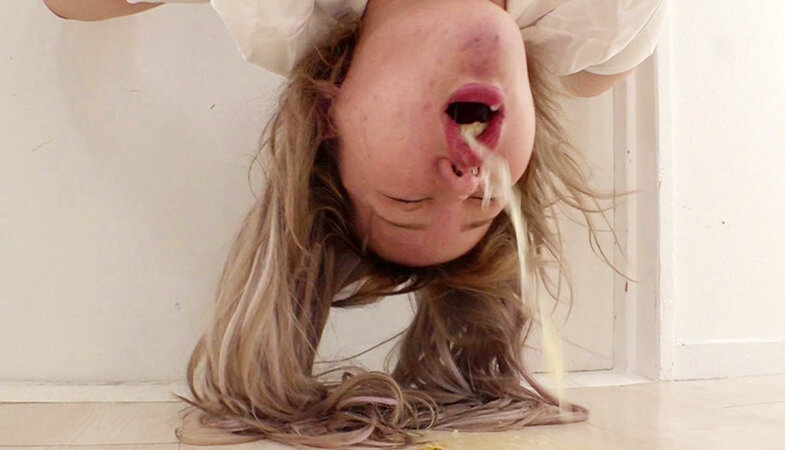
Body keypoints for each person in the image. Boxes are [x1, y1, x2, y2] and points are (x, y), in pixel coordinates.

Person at [44, 0, 666, 447]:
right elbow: (596, 71)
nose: (466, 180)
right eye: (487, 203)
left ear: (328, 114)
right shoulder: (603, 17)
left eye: (408, 200)